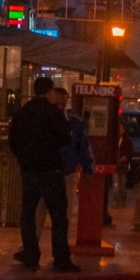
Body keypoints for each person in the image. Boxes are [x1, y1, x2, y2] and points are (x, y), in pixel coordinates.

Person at [8, 76, 78, 272]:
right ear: (49, 92)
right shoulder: (53, 112)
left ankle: (30, 256)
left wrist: (24, 158)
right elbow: (65, 137)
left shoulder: (22, 113)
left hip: (29, 172)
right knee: (58, 217)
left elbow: (12, 141)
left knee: (28, 215)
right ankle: (61, 258)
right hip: (51, 171)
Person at [55, 87, 95, 233]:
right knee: (38, 214)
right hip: (44, 173)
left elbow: (83, 147)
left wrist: (88, 167)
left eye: (62, 104)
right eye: (56, 104)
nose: (59, 107)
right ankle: (30, 250)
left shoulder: (74, 123)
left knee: (64, 215)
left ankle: (60, 251)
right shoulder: (41, 121)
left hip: (66, 173)